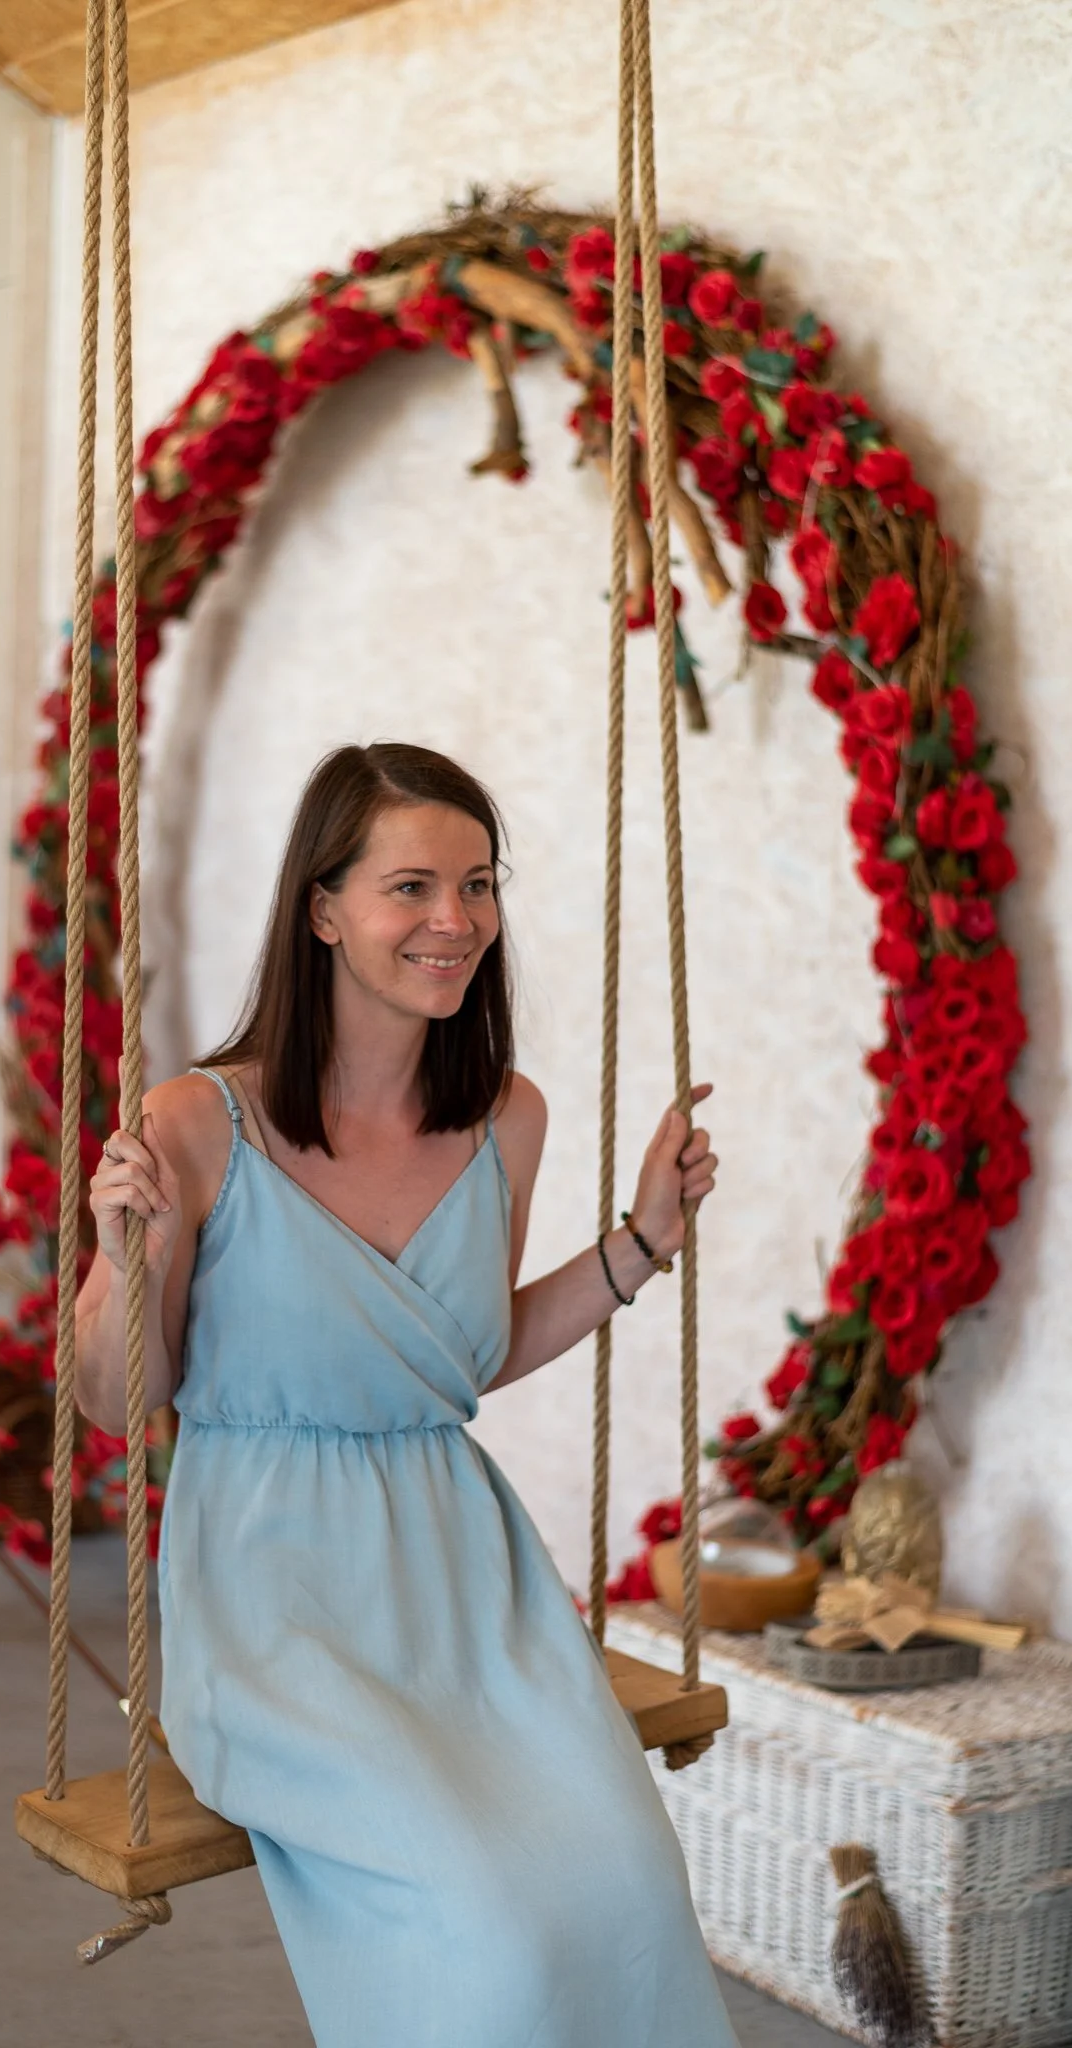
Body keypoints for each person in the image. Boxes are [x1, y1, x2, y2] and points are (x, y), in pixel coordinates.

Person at [75, 741, 736, 2047]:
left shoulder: (506, 1116)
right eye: (412, 887)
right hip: (272, 1587)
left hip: (462, 1576)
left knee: (625, 1884)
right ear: (322, 910)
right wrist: (115, 1258)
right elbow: (115, 1399)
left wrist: (643, 1239)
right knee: (482, 1914)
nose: (455, 921)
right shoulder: (199, 1126)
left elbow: (461, 1356)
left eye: (477, 885)